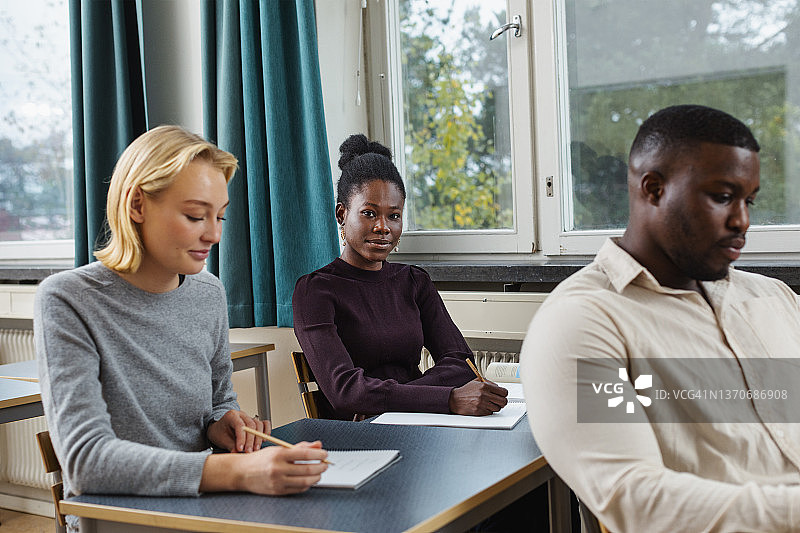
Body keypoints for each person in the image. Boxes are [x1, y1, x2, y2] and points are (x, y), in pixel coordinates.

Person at [521, 105, 800, 532]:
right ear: (653, 189)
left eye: (749, 200)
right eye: (722, 197)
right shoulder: (581, 322)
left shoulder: (772, 297)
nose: (742, 220)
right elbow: (638, 501)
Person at [35, 126, 328, 530]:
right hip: (120, 521)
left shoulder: (208, 292)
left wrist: (223, 424)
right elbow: (87, 462)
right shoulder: (66, 299)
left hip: (201, 509)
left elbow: (219, 401)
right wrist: (239, 472)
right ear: (137, 204)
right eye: (195, 216)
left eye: (220, 216)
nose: (214, 234)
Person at [292, 134, 509, 421]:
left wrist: (403, 399)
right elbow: (346, 393)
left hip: (420, 420)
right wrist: (447, 398)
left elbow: (461, 363)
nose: (383, 227)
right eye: (369, 213)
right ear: (342, 214)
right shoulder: (314, 292)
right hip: (359, 434)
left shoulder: (414, 281)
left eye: (394, 216)